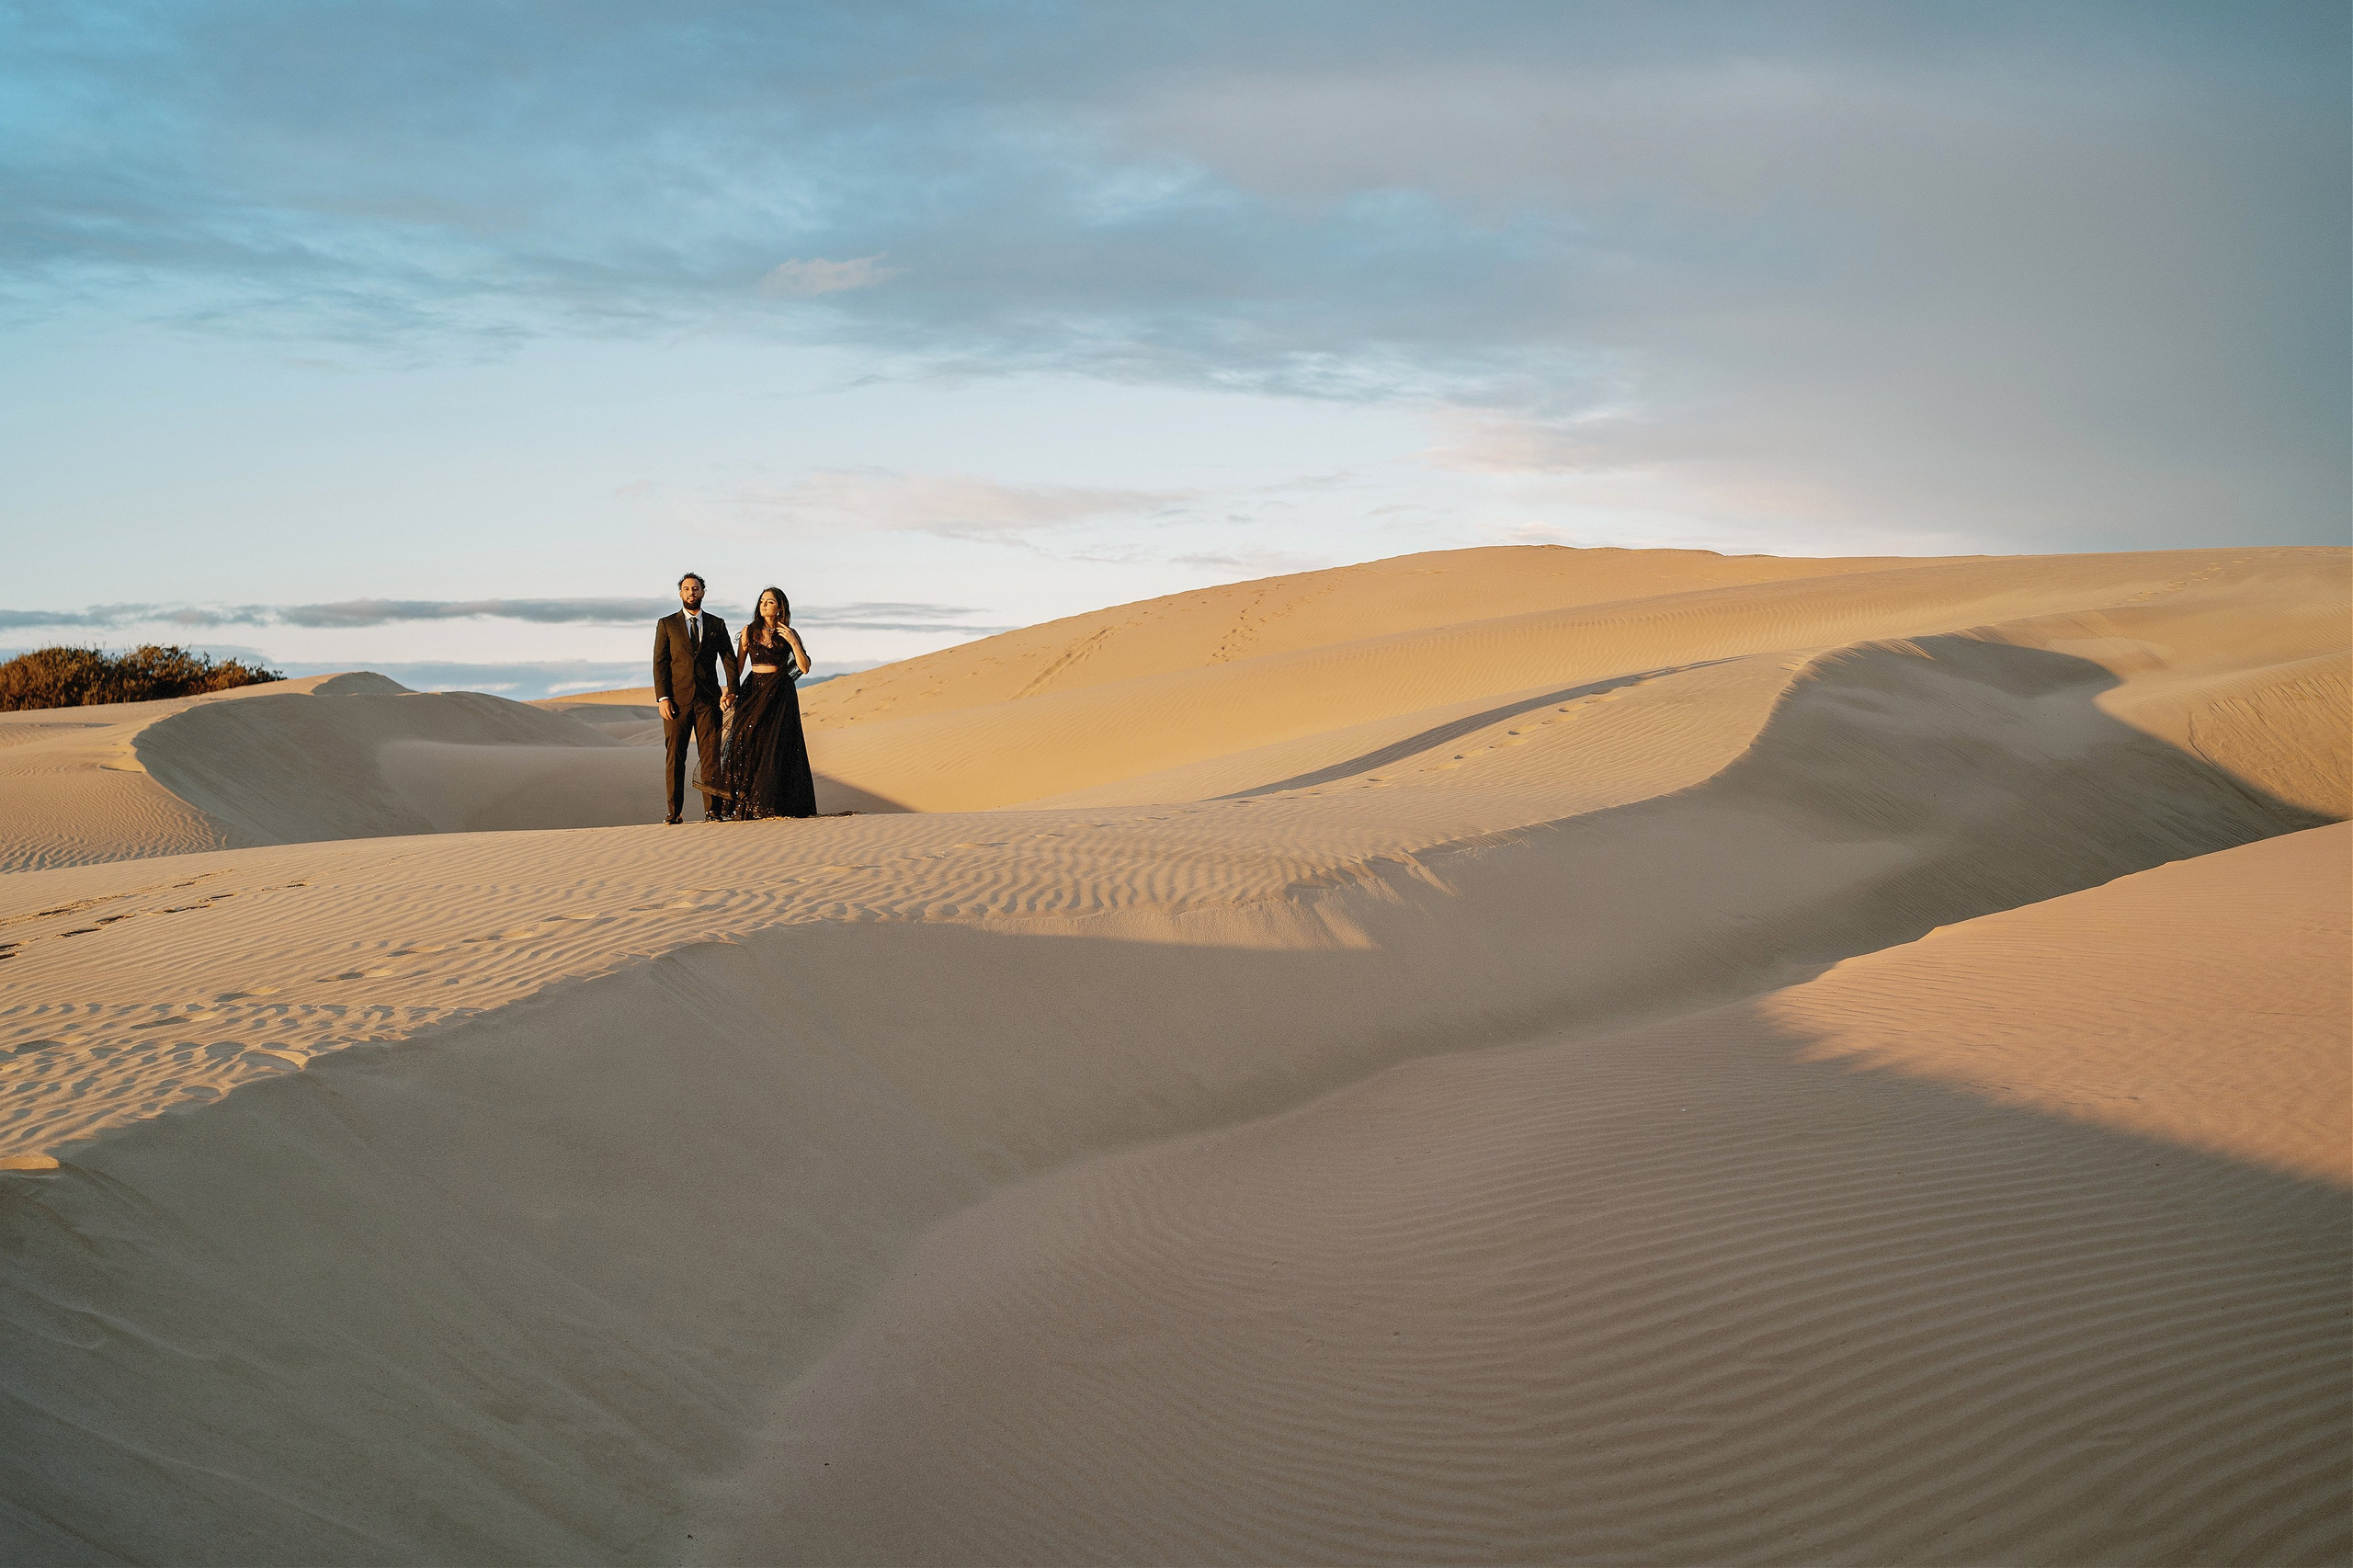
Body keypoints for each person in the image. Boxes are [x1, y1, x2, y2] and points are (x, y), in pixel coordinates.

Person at [717, 585, 818, 820]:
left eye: (769, 601)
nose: (764, 604)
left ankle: (775, 805)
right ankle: (746, 805)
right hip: (753, 690)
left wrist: (793, 641)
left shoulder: (789, 633)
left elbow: (804, 667)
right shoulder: (749, 631)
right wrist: (729, 692)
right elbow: (738, 667)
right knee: (748, 743)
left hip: (781, 695)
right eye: (762, 601)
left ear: (780, 607)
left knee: (777, 748)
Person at [652, 573, 740, 823]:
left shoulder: (716, 624)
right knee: (675, 757)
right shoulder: (667, 624)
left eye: (696, 588)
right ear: (680, 593)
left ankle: (713, 810)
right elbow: (660, 664)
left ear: (703, 592)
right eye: (687, 588)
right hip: (676, 702)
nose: (692, 592)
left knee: (711, 757)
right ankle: (674, 812)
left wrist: (732, 689)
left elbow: (729, 659)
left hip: (708, 701)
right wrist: (663, 698)